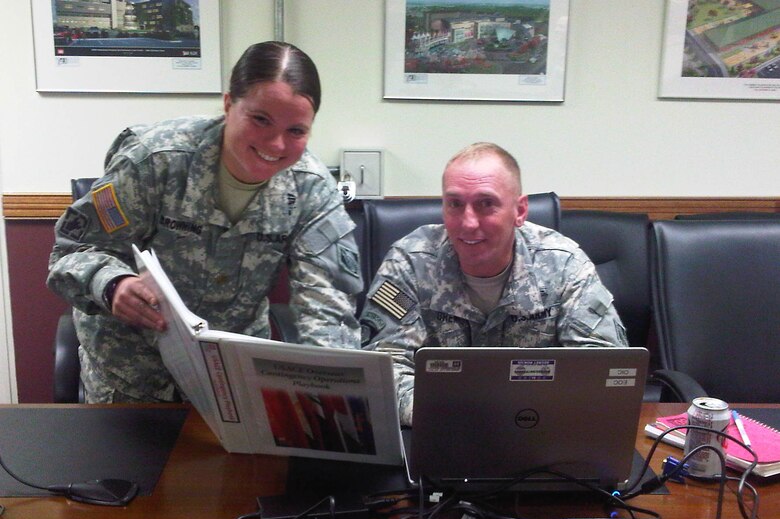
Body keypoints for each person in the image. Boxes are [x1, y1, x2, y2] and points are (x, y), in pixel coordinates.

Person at [47, 41, 363, 403]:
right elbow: (73, 251)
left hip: (232, 380)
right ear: (229, 104)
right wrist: (112, 284)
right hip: (132, 376)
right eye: (261, 119)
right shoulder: (157, 160)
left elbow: (326, 299)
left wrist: (328, 388)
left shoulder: (311, 189)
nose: (276, 144)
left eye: (296, 131)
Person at [360, 142, 627, 426]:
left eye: (486, 204)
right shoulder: (410, 263)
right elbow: (382, 367)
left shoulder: (563, 264)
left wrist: (524, 415)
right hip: (438, 432)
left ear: (520, 210)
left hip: (537, 434)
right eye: (455, 204)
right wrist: (461, 417)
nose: (469, 223)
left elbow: (604, 367)